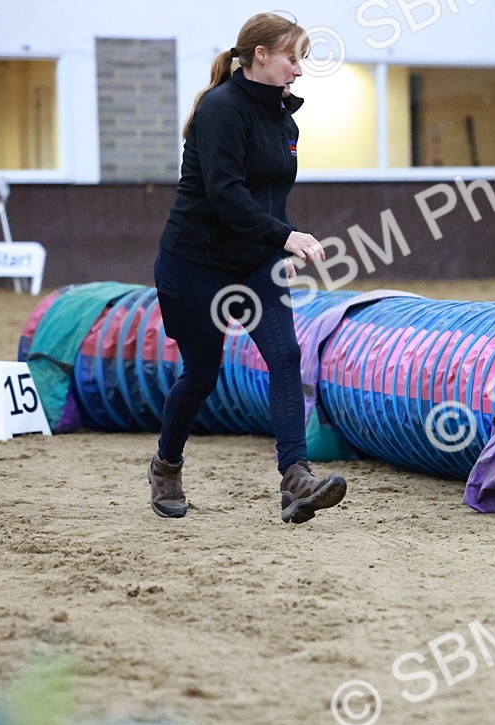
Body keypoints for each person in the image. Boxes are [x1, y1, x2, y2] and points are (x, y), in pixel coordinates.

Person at [148, 12, 347, 524]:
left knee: (285, 356)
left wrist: (277, 238)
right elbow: (225, 193)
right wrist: (286, 235)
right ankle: (167, 465)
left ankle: (295, 478)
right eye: (292, 58)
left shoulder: (284, 117)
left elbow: (268, 195)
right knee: (203, 374)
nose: (299, 70)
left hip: (254, 263)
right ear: (261, 55)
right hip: (194, 262)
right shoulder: (220, 109)